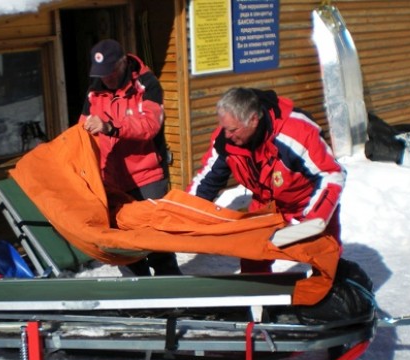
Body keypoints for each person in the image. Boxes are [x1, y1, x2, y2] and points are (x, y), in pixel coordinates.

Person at [187, 87, 346, 273]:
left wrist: (312, 221)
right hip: (265, 203)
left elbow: (331, 175)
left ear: (254, 119)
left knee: (326, 258)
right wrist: (183, 214)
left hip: (308, 201)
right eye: (224, 128)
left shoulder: (296, 132)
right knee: (253, 258)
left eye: (232, 129)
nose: (227, 135)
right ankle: (259, 298)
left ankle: (333, 295)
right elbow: (207, 182)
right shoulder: (225, 140)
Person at [80, 39, 181, 276]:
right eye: (101, 74)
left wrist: (111, 127)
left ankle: (174, 291)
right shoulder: (94, 91)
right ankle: (141, 299)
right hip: (111, 179)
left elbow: (149, 125)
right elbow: (81, 130)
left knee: (157, 241)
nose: (107, 78)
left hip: (147, 176)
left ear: (123, 62)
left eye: (111, 72)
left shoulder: (147, 84)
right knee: (124, 246)